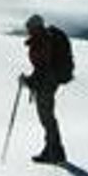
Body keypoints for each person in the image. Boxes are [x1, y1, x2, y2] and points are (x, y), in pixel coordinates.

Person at [19, 14, 67, 164]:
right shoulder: (42, 39)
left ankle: (55, 153)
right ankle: (52, 151)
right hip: (48, 82)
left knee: (47, 118)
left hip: (47, 84)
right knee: (47, 118)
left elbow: (43, 68)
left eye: (29, 27)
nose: (27, 30)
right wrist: (30, 80)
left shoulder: (42, 41)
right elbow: (41, 67)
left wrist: (29, 81)